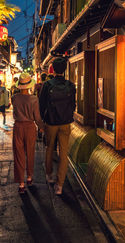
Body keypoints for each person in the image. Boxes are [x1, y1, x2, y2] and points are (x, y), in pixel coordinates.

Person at [39, 57, 76, 195]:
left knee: (49, 148)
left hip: (51, 122)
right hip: (65, 123)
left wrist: (42, 121)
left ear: (53, 69)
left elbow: (41, 105)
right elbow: (73, 105)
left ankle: (49, 176)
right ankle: (60, 185)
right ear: (65, 69)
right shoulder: (71, 86)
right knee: (64, 153)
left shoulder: (47, 85)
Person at [11, 73, 44, 194]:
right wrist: (41, 127)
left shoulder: (14, 98)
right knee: (30, 152)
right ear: (30, 85)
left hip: (18, 127)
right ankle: (29, 177)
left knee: (18, 155)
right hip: (30, 127)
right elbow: (37, 117)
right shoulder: (34, 99)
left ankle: (21, 183)